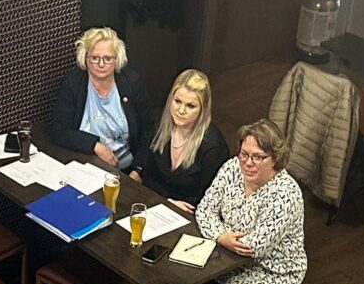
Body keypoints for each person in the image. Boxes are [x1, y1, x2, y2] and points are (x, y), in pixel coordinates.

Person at [193, 120, 307, 284]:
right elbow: (204, 209)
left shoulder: (286, 194)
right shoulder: (231, 167)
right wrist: (222, 237)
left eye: (257, 157)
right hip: (226, 255)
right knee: (191, 282)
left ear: (275, 158)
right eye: (244, 154)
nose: (248, 162)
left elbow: (253, 247)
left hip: (270, 270)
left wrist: (221, 233)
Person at [49, 26, 152, 171]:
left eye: (108, 59)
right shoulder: (73, 83)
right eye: (95, 58)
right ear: (85, 58)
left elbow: (148, 131)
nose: (101, 64)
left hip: (125, 170)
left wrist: (138, 170)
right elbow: (59, 131)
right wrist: (95, 145)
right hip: (83, 166)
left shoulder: (132, 82)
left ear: (117, 59)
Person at [128, 68, 230, 212]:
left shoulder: (213, 146)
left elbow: (211, 198)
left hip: (191, 213)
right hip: (157, 204)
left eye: (190, 106)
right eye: (177, 101)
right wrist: (167, 201)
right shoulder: (160, 128)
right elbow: (147, 176)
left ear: (203, 109)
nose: (181, 110)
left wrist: (173, 205)